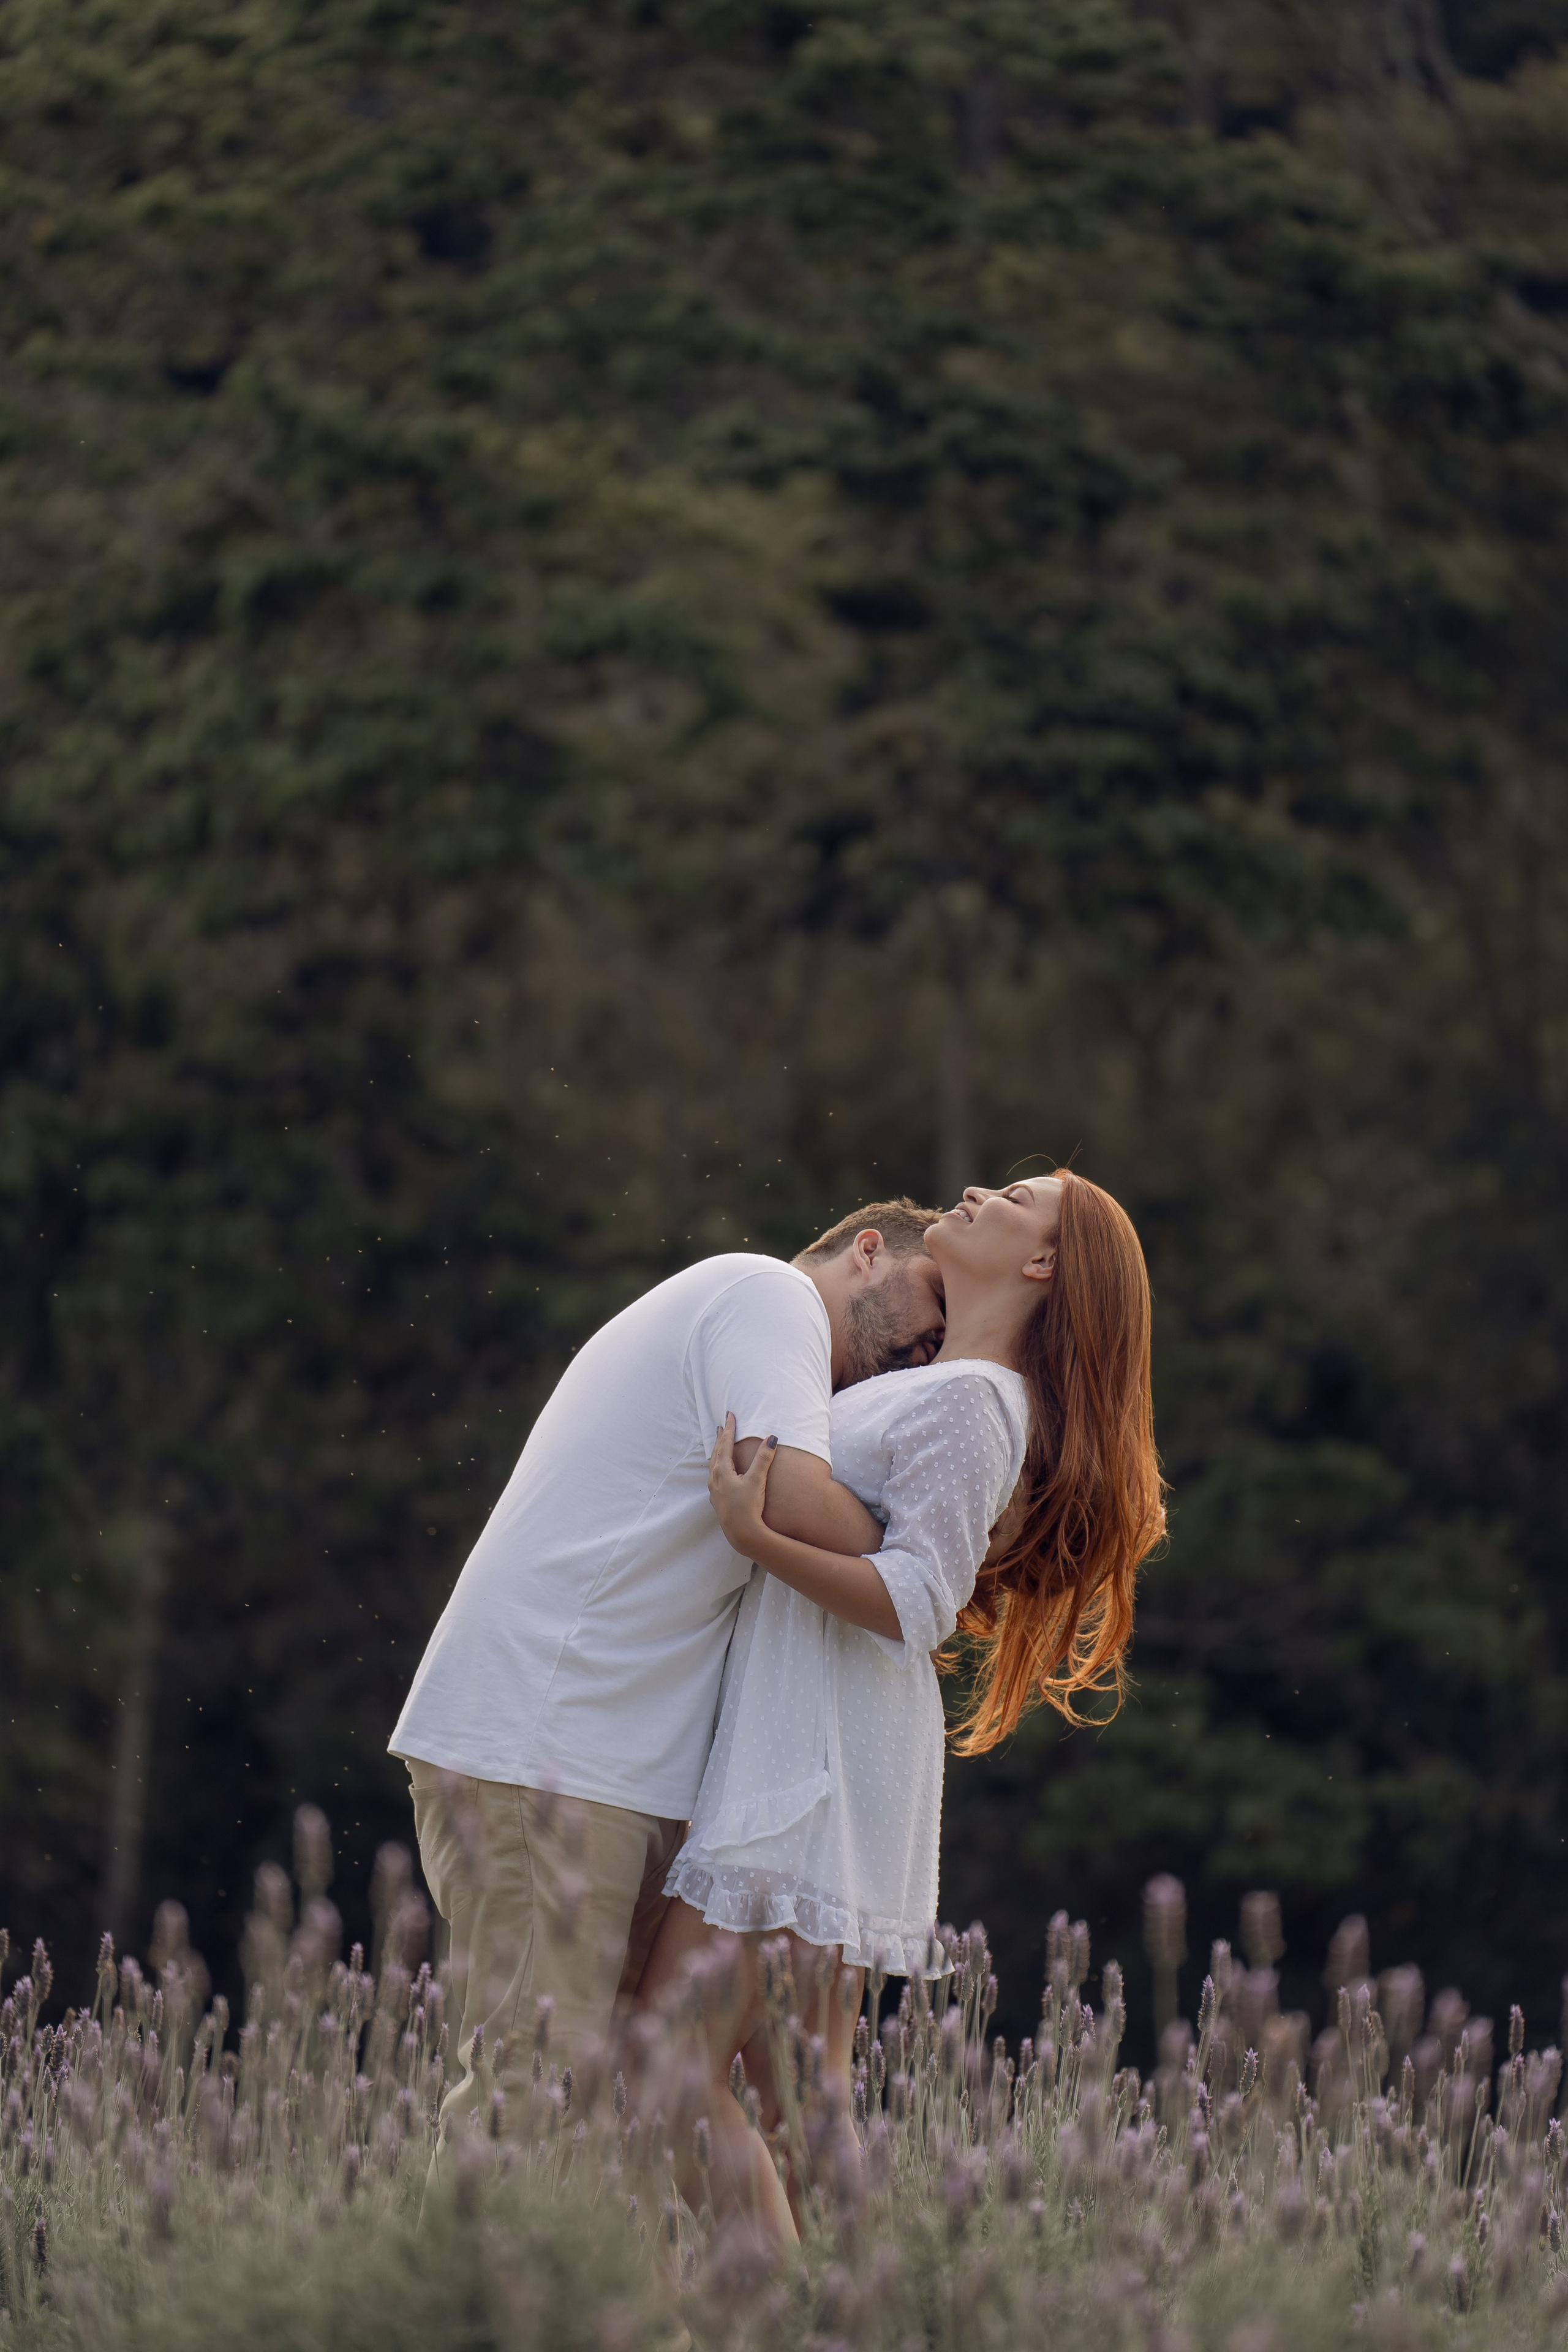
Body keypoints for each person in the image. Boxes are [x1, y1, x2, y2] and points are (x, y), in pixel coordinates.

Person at [636, 1171, 1166, 2244]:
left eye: (1014, 1197)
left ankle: (790, 2320)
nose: (974, 1190)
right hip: (833, 1733)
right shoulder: (954, 1383)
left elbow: (921, 1603)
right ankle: (866, 2314)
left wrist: (758, 1541)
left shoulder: (977, 1401)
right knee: (798, 2095)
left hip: (820, 1751)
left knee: (662, 2069)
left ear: (1043, 1265)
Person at [386, 1200, 946, 2147]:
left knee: (610, 2117)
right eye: (933, 1305)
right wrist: (929, 1557)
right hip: (549, 1746)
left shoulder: (771, 1335)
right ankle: (464, 2303)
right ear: (866, 1254)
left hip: (608, 1761)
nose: (930, 1348)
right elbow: (789, 1495)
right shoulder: (771, 1297)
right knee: (531, 2096)